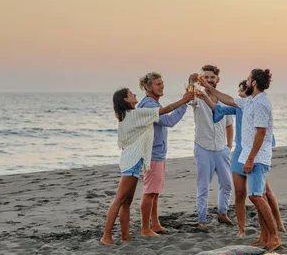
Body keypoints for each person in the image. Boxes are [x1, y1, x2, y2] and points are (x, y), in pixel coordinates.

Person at [197, 69, 281, 250]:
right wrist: (206, 87)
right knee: (256, 195)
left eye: (249, 78)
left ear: (254, 83)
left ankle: (274, 236)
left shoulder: (261, 103)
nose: (247, 80)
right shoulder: (250, 101)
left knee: (257, 196)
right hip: (248, 155)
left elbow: (261, 133)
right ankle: (265, 235)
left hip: (258, 156)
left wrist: (250, 159)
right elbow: (227, 99)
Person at [100, 87, 193, 245]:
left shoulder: (128, 115)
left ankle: (125, 236)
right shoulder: (135, 114)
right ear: (125, 100)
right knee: (119, 200)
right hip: (131, 161)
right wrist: (184, 100)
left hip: (133, 161)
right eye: (131, 94)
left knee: (126, 202)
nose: (135, 94)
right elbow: (164, 110)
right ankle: (106, 236)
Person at [138, 72, 189, 234]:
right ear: (148, 87)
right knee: (150, 191)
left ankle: (155, 224)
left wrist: (184, 102)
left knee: (155, 192)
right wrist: (184, 102)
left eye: (162, 83)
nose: (162, 86)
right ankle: (145, 228)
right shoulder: (148, 105)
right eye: (158, 84)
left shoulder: (153, 103)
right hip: (152, 154)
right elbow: (169, 121)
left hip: (158, 153)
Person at [191, 64, 234, 230]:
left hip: (221, 149)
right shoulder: (197, 96)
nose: (209, 80)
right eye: (206, 77)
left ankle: (223, 214)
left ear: (217, 79)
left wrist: (229, 145)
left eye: (212, 77)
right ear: (202, 79)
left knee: (227, 184)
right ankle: (202, 220)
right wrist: (191, 82)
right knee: (203, 186)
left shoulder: (223, 99)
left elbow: (229, 125)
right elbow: (188, 96)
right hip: (203, 147)